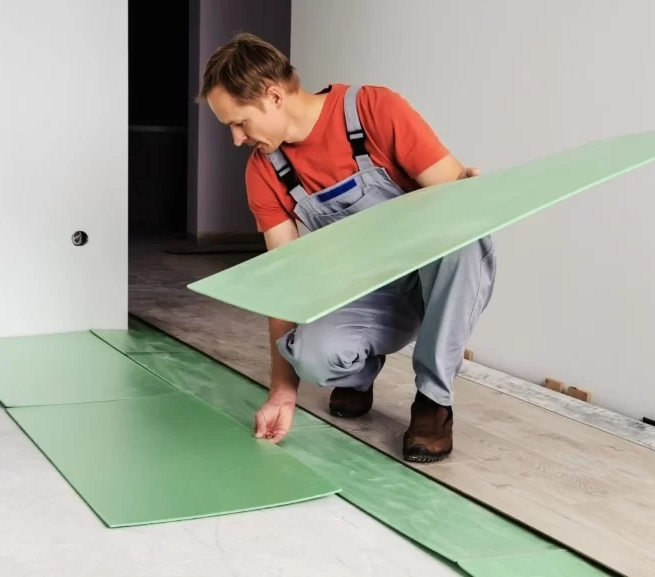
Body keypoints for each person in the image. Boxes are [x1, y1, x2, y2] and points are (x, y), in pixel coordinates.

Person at [197, 32, 496, 462]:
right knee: (312, 357)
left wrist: (471, 192)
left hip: (430, 280)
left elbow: (456, 206)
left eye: (239, 123)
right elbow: (287, 280)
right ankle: (357, 377)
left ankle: (433, 402)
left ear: (273, 95)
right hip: (366, 295)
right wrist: (283, 392)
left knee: (464, 239)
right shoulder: (265, 170)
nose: (237, 139)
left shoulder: (374, 109)